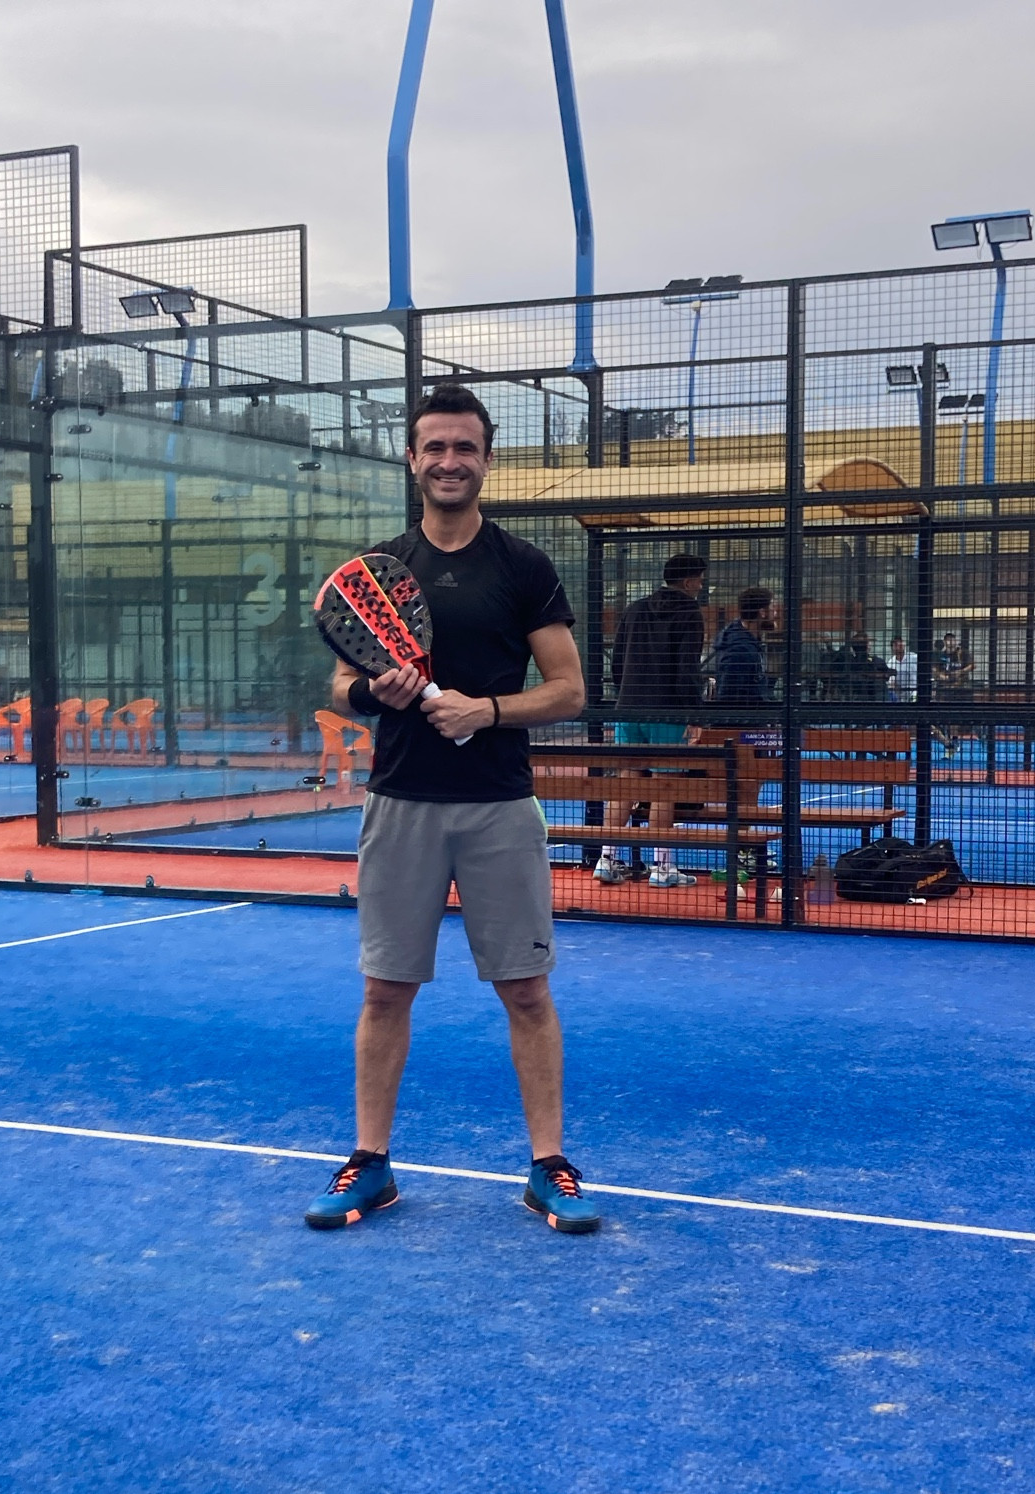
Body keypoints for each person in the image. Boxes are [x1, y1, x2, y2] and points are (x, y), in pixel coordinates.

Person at [304, 384, 600, 1235]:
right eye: (434, 447)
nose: (448, 461)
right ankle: (370, 1164)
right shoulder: (378, 570)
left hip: (500, 806)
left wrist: (487, 710)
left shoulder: (524, 567)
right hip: (401, 802)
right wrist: (379, 692)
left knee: (527, 991)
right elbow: (342, 685)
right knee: (385, 990)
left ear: (486, 460)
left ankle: (549, 1166)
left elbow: (569, 690)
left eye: (464, 447)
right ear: (412, 459)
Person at [594, 552, 707, 889]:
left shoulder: (635, 609)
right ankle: (662, 867)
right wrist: (694, 714)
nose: (701, 586)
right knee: (663, 786)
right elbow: (688, 667)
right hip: (667, 710)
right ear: (688, 582)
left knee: (626, 781)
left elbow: (617, 662)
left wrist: (626, 695)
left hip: (628, 707)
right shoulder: (690, 612)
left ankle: (606, 859)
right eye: (700, 580)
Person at [709, 586, 775, 703]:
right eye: (772, 607)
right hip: (748, 713)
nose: (775, 613)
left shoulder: (744, 641)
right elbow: (728, 696)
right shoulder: (740, 651)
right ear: (762, 612)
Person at [934, 631, 974, 754]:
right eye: (948, 640)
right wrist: (942, 676)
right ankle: (948, 740)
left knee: (957, 714)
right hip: (945, 689)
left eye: (953, 640)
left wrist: (960, 672)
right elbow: (935, 669)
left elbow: (972, 665)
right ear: (945, 642)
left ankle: (955, 738)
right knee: (945, 714)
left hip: (960, 690)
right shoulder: (941, 655)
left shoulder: (962, 653)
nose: (951, 642)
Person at [888, 636, 917, 702]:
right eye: (896, 644)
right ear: (893, 648)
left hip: (915, 694)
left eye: (901, 642)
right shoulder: (891, 662)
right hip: (900, 698)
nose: (900, 645)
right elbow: (892, 682)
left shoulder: (914, 657)